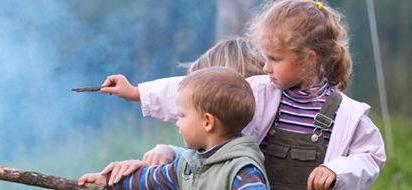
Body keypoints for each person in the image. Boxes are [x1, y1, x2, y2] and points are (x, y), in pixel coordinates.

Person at [98, 0, 386, 189]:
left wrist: (338, 170)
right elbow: (201, 93)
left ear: (309, 59)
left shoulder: (347, 114)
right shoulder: (263, 91)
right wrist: (138, 92)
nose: (265, 66)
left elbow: (371, 157)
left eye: (275, 59)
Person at [79, 68, 269, 189]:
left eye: (183, 116)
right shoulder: (188, 164)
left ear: (207, 122)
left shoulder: (243, 172)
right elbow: (149, 179)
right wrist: (109, 181)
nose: (178, 122)